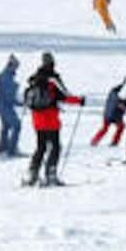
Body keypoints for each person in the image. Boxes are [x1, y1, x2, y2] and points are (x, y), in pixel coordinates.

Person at [21, 53, 85, 187]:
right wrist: (79, 100)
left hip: (37, 119)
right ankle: (51, 174)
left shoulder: (34, 79)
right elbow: (65, 96)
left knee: (41, 147)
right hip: (51, 120)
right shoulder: (53, 80)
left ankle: (32, 173)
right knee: (55, 147)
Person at [0, 54, 23, 157]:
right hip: (5, 106)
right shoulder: (6, 77)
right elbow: (9, 95)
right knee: (16, 125)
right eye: (15, 66)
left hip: (3, 105)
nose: (16, 69)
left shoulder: (7, 75)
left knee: (6, 126)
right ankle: (11, 149)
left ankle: (2, 147)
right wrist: (20, 103)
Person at [90, 83, 126, 147]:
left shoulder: (116, 91)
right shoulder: (118, 93)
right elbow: (118, 102)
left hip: (110, 113)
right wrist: (121, 105)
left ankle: (95, 140)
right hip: (113, 114)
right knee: (119, 126)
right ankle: (113, 142)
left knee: (107, 128)